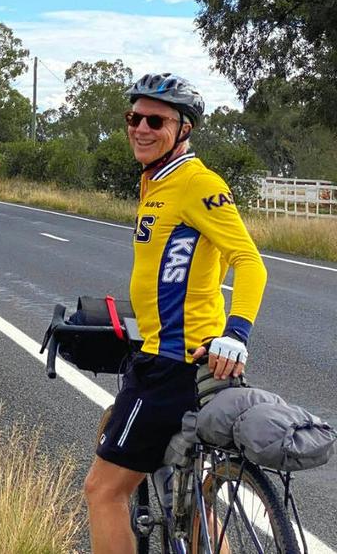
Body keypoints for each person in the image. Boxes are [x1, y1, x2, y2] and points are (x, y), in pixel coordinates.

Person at [84, 73, 267, 554]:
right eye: (134, 118)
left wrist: (237, 332)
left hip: (173, 365)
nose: (140, 128)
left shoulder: (196, 184)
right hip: (173, 352)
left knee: (102, 492)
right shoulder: (155, 181)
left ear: (183, 128)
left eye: (156, 120)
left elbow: (248, 262)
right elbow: (177, 272)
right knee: (187, 499)